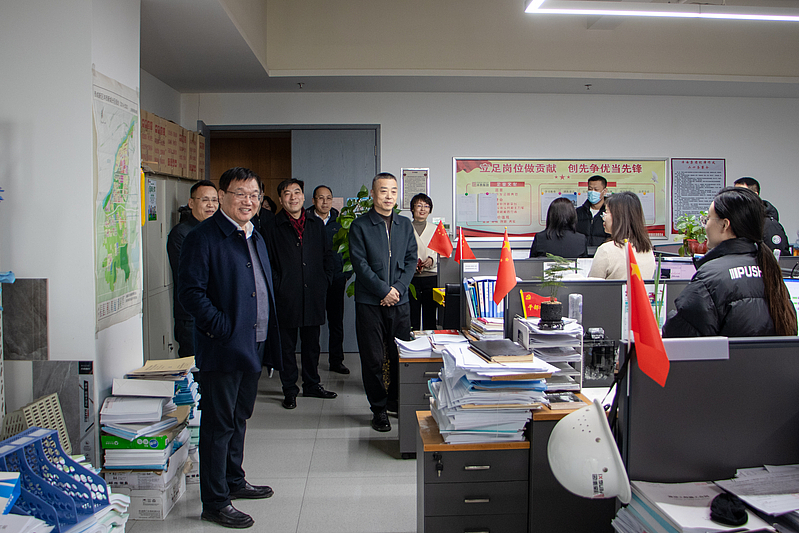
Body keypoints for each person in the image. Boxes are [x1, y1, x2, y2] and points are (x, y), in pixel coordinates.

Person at [179, 167, 281, 529]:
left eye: (254, 195)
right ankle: (215, 501)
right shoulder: (204, 237)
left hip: (254, 342)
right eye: (240, 194)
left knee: (239, 417)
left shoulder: (254, 234)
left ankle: (234, 479)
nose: (248, 201)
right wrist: (222, 327)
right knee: (218, 425)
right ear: (222, 196)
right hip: (223, 347)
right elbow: (191, 293)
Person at [663, 186, 797, 337]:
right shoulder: (770, 270)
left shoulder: (710, 278)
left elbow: (678, 337)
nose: (705, 226)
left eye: (707, 219)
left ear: (725, 225)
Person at [348, 173, 417, 432]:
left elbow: (411, 260)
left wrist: (397, 289)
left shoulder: (404, 224)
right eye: (383, 191)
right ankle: (378, 409)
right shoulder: (360, 226)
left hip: (400, 301)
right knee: (373, 358)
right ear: (373, 194)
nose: (389, 196)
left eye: (393, 191)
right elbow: (360, 264)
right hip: (370, 302)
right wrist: (383, 291)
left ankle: (396, 402)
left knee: (400, 355)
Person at [263, 179, 336, 410]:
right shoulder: (272, 227)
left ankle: (312, 384)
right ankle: (290, 389)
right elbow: (268, 263)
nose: (293, 197)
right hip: (286, 295)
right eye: (287, 193)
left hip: (313, 293)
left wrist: (324, 280)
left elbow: (327, 256)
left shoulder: (315, 224)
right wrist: (279, 285)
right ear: (281, 199)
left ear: (303, 197)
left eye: (297, 192)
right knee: (287, 346)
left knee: (312, 344)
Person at [166, 180, 218, 357]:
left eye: (214, 200)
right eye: (205, 200)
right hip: (191, 317)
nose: (211, 205)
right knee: (195, 367)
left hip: (216, 314)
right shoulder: (181, 234)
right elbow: (190, 276)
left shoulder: (216, 231)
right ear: (191, 203)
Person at [307, 185, 352, 374]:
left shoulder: (340, 222)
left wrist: (345, 274)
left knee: (336, 323)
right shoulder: (305, 220)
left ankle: (336, 361)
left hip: (336, 279)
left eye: (328, 198)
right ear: (313, 201)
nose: (325, 202)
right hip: (313, 281)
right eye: (320, 198)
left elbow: (349, 251)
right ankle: (311, 364)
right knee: (312, 325)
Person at [587, 191, 655, 280]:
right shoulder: (648, 250)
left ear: (618, 217)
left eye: (606, 212)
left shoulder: (606, 250)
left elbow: (592, 285)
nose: (603, 217)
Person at [733, 177, 789, 255]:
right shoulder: (739, 221)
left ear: (755, 195)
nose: (736, 197)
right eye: (735, 193)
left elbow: (779, 258)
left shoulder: (768, 224)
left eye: (741, 193)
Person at [409, 193, 439, 331]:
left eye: (426, 206)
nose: (423, 209)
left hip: (431, 277)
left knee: (430, 316)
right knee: (412, 316)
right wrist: (411, 263)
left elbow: (442, 252)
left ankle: (430, 342)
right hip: (411, 277)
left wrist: (432, 259)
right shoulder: (406, 228)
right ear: (412, 208)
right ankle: (413, 342)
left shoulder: (436, 229)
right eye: (419, 205)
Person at [576, 175, 611, 247]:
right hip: (582, 252)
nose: (592, 192)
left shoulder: (611, 213)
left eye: (596, 189)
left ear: (604, 191)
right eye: (590, 189)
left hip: (603, 251)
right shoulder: (578, 212)